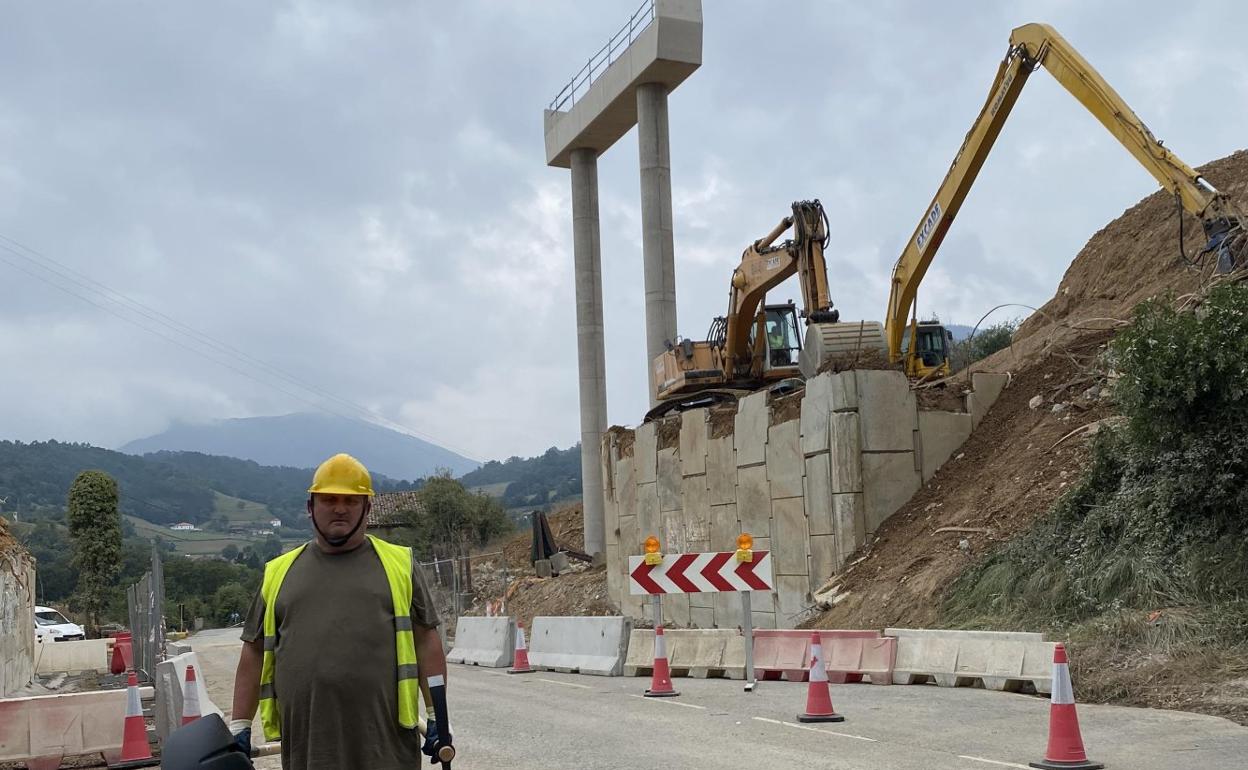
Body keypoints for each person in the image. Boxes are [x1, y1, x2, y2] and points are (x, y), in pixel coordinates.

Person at [229, 453, 452, 769]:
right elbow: (253, 651)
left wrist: (436, 716)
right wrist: (239, 723)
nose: (340, 508)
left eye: (351, 500)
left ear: (367, 508)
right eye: (329, 499)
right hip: (309, 749)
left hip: (385, 748)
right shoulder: (278, 573)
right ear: (310, 507)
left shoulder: (400, 565)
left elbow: (425, 641)